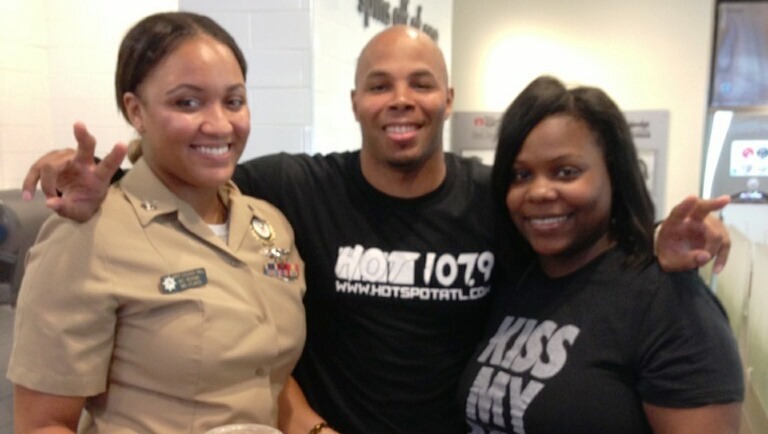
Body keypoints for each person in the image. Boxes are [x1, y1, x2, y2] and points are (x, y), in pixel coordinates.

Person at [20, 26, 732, 434]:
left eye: (421, 83)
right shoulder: (292, 190)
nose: (401, 100)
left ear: (448, 98)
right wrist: (81, 170)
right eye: (380, 84)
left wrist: (656, 237)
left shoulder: (496, 201)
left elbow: (574, 232)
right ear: (354, 100)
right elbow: (186, 174)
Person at [7, 12, 305, 433]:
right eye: (188, 102)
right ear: (136, 111)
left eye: (233, 101)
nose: (220, 123)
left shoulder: (268, 224)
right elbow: (43, 424)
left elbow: (268, 378)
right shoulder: (88, 232)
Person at [460, 76, 744, 434]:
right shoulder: (517, 280)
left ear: (614, 175)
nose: (539, 191)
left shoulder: (669, 302)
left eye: (566, 172)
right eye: (521, 175)